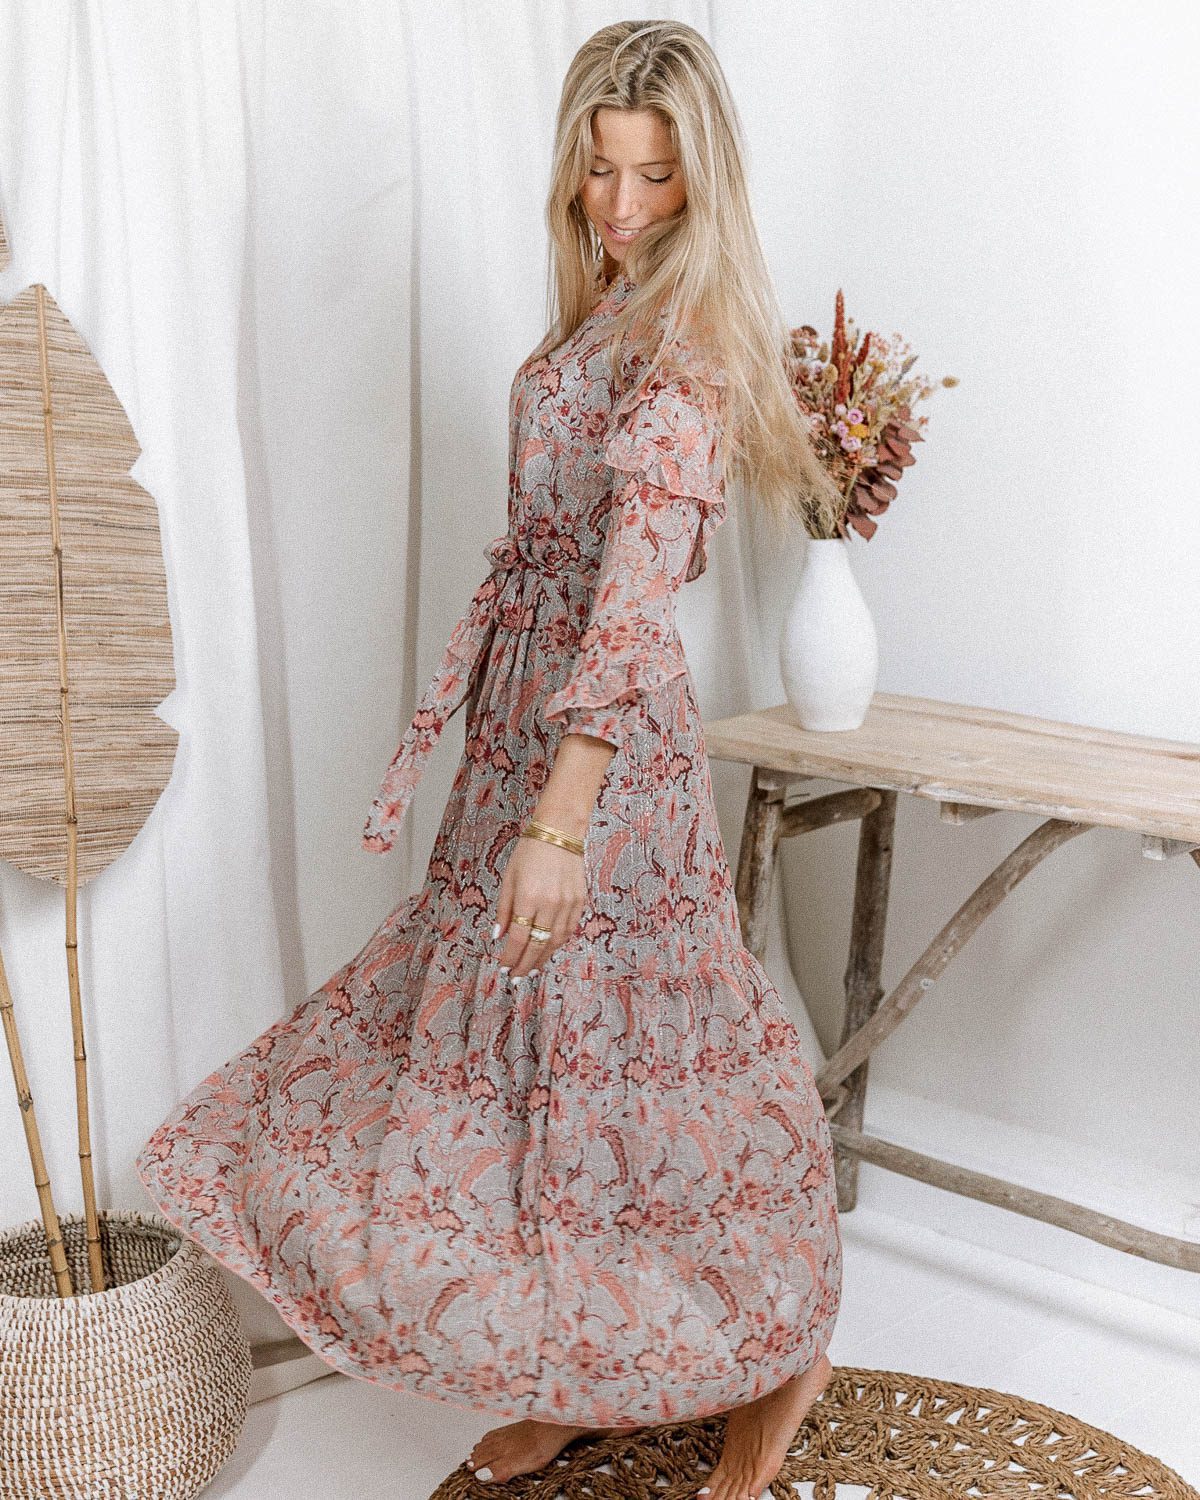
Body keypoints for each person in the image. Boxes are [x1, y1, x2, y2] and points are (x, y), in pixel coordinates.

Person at [136, 20, 846, 1500]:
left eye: (657, 177)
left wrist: (564, 819)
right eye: (601, 169)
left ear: (705, 184)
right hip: (519, 727)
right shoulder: (602, 315)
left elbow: (635, 600)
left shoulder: (685, 353)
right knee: (540, 1078)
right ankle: (585, 1372)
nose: (623, 205)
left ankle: (776, 1356)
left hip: (603, 757)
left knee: (652, 1065)